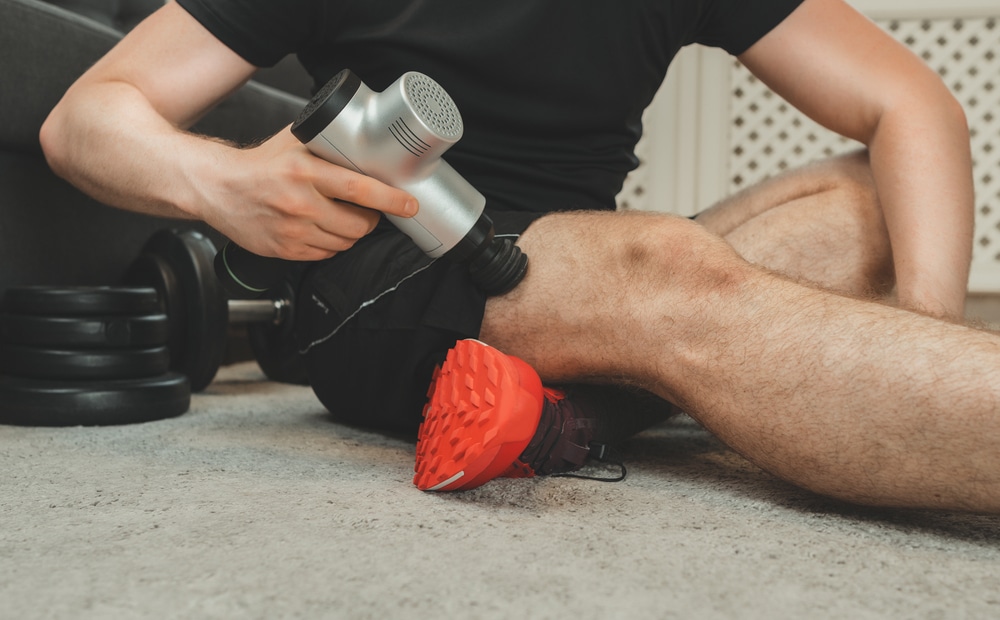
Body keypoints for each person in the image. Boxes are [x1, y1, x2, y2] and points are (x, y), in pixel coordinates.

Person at [39, 0, 999, 511]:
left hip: (568, 274)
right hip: (381, 283)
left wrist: (918, 336)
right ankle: (627, 373)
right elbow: (85, 117)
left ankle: (575, 414)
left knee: (857, 205)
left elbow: (912, 107)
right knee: (662, 267)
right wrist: (223, 181)